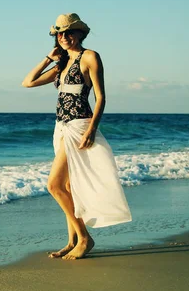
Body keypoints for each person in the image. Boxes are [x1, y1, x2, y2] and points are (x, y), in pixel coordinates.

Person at [21, 13, 132, 260]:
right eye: (59, 34)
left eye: (69, 32)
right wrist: (48, 59)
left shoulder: (90, 57)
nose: (64, 37)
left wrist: (92, 129)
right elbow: (28, 82)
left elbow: (101, 97)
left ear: (80, 34)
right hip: (60, 127)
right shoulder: (61, 64)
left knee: (54, 185)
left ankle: (84, 238)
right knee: (69, 187)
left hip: (79, 126)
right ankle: (71, 241)